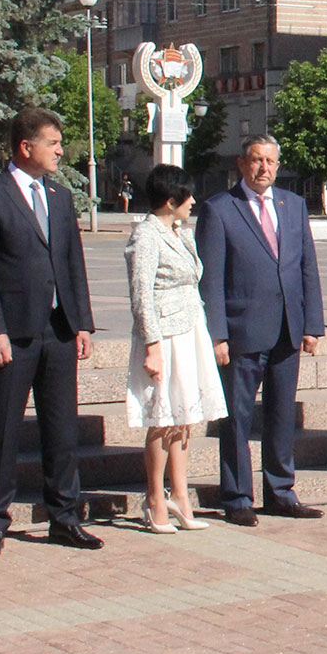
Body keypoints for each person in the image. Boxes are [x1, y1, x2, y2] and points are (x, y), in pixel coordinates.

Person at [0, 107, 100, 560]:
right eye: (53, 143)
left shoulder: (60, 197)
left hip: (58, 330)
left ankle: (64, 517)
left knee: (61, 429)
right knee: (3, 429)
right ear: (26, 147)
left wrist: (82, 323)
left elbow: (73, 261)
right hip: (13, 334)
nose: (60, 151)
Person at [196, 135, 325, 525]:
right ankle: (237, 497)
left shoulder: (293, 205)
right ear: (241, 163)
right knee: (237, 418)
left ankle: (281, 493)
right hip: (242, 332)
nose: (264, 168)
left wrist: (312, 324)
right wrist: (217, 334)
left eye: (270, 161)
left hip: (288, 328)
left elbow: (307, 267)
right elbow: (210, 279)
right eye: (256, 160)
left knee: (282, 415)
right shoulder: (219, 209)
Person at [124, 164, 226, 533]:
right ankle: (155, 499)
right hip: (164, 336)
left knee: (184, 416)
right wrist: (151, 346)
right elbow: (141, 296)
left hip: (190, 330)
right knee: (163, 417)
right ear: (170, 200)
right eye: (187, 196)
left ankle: (180, 496)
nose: (193, 202)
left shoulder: (180, 232)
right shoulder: (146, 236)